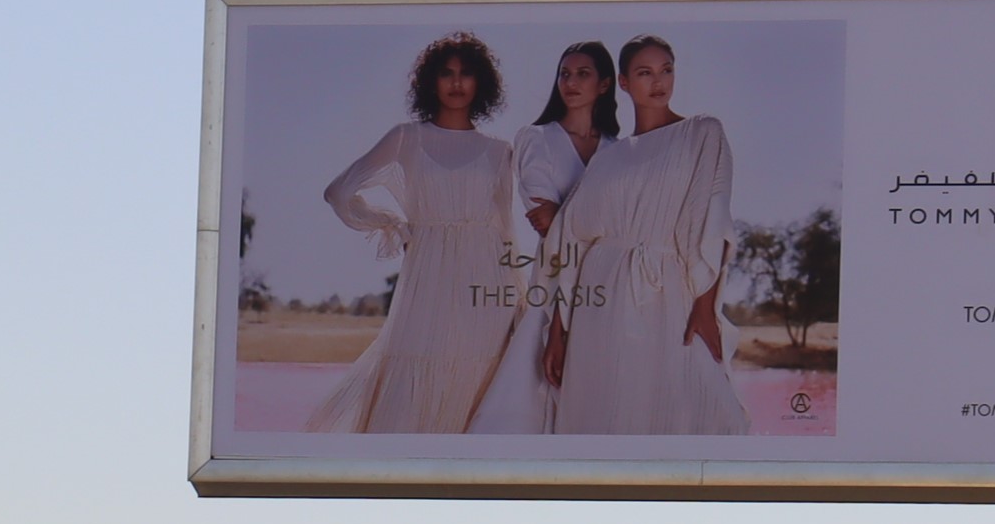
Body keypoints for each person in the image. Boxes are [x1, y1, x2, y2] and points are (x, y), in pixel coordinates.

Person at [303, 35, 516, 434]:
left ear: (481, 82)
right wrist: (389, 223)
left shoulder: (499, 151)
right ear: (429, 82)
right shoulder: (406, 138)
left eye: (466, 73)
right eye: (446, 73)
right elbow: (338, 192)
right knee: (418, 363)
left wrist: (516, 297)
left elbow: (506, 233)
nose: (456, 83)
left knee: (479, 370)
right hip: (429, 277)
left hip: (487, 281)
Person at [542, 34, 746, 436]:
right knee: (602, 405)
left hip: (665, 292)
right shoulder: (609, 156)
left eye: (666, 70)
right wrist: (557, 332)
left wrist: (704, 306)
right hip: (598, 301)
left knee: (680, 401)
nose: (659, 81)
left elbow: (713, 221)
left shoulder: (701, 133)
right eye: (645, 72)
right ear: (622, 83)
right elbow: (571, 242)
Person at [469, 41, 617, 436]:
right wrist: (598, 227)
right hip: (553, 277)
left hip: (608, 281)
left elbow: (614, 226)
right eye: (564, 74)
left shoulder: (620, 151)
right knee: (533, 389)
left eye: (582, 74)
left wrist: (575, 219)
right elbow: (544, 220)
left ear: (604, 85)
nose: (570, 82)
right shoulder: (536, 138)